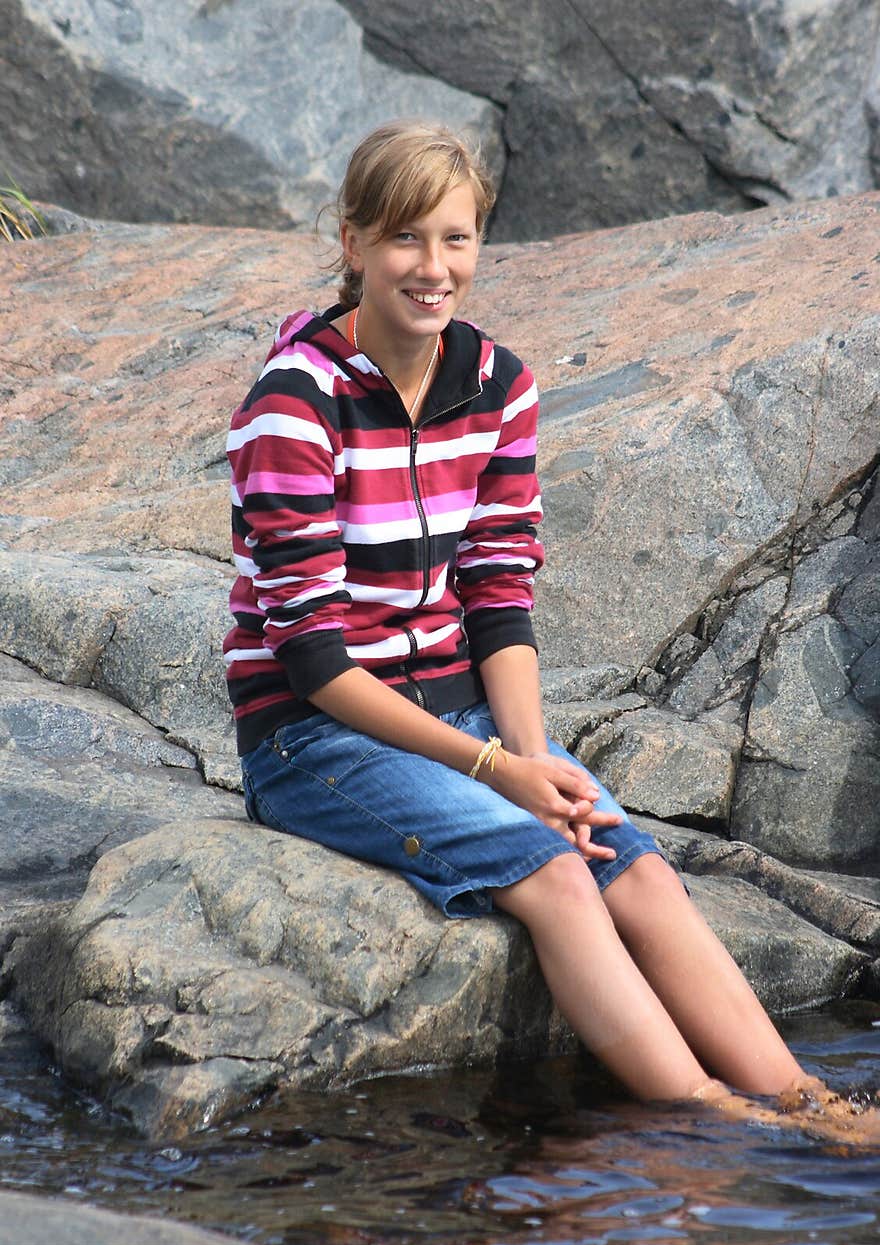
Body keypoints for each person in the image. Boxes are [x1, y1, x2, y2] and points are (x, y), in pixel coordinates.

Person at [224, 120, 877, 1141]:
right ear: (350, 244)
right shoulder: (292, 405)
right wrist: (495, 770)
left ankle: (812, 1100)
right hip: (312, 738)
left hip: (462, 708)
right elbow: (311, 662)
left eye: (455, 239)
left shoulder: (496, 383)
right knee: (559, 877)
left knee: (636, 868)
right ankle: (717, 1120)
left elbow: (496, 590)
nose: (432, 268)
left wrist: (531, 754)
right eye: (404, 240)